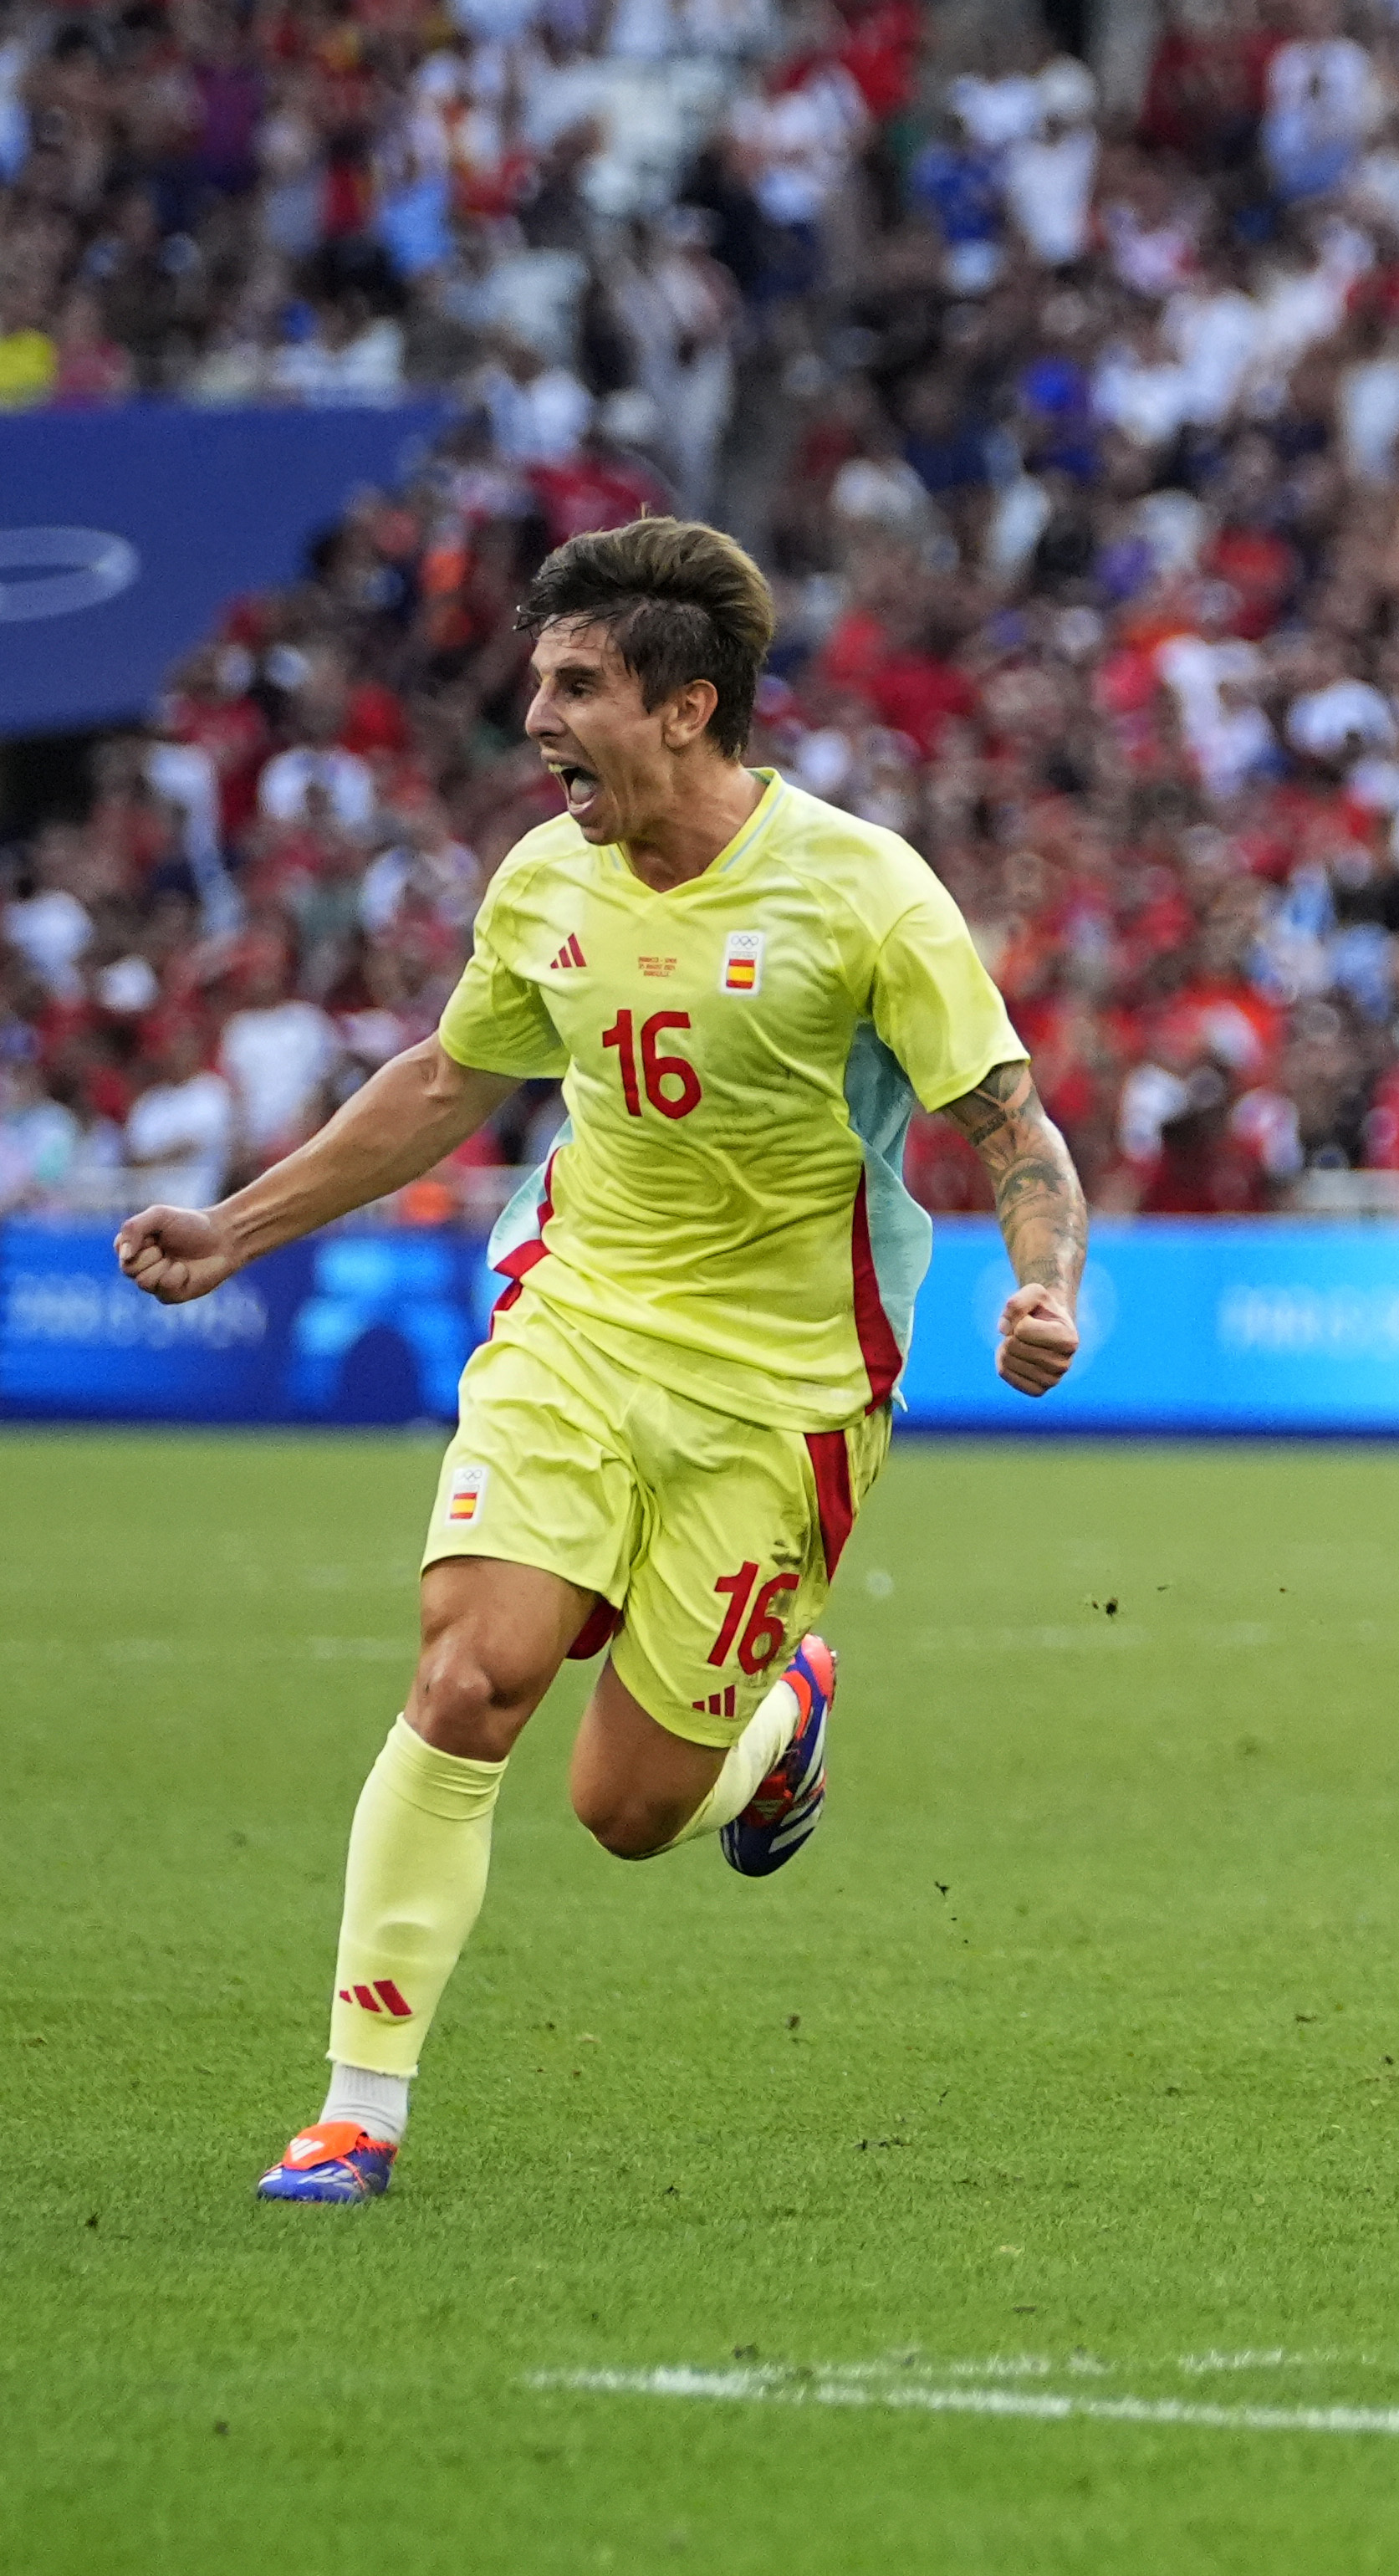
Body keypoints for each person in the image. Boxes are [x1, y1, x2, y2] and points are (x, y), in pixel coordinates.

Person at [113, 518, 1089, 2206]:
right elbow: (443, 1080)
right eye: (536, 681)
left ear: (691, 705)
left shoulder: (861, 891)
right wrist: (240, 1226)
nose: (537, 719)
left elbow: (1011, 1127)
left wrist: (1045, 1284)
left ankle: (780, 1721)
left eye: (577, 686)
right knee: (463, 1676)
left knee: (627, 1808)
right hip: (573, 1327)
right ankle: (357, 2109)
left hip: (782, 1399)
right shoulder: (544, 878)